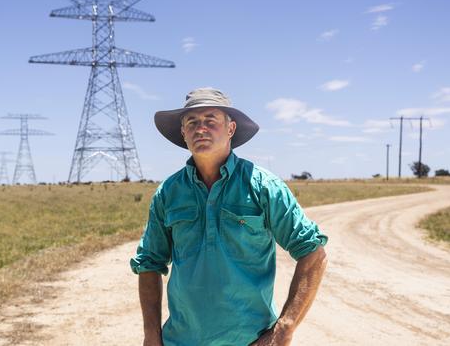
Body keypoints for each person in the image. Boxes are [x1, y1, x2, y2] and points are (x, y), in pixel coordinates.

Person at [130, 87, 328, 346]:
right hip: (181, 340)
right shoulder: (169, 192)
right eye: (192, 122)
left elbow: (313, 253)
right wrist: (152, 335)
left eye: (210, 121)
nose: (200, 129)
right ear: (183, 133)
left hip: (250, 340)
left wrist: (285, 328)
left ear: (231, 129)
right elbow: (149, 265)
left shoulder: (263, 187)